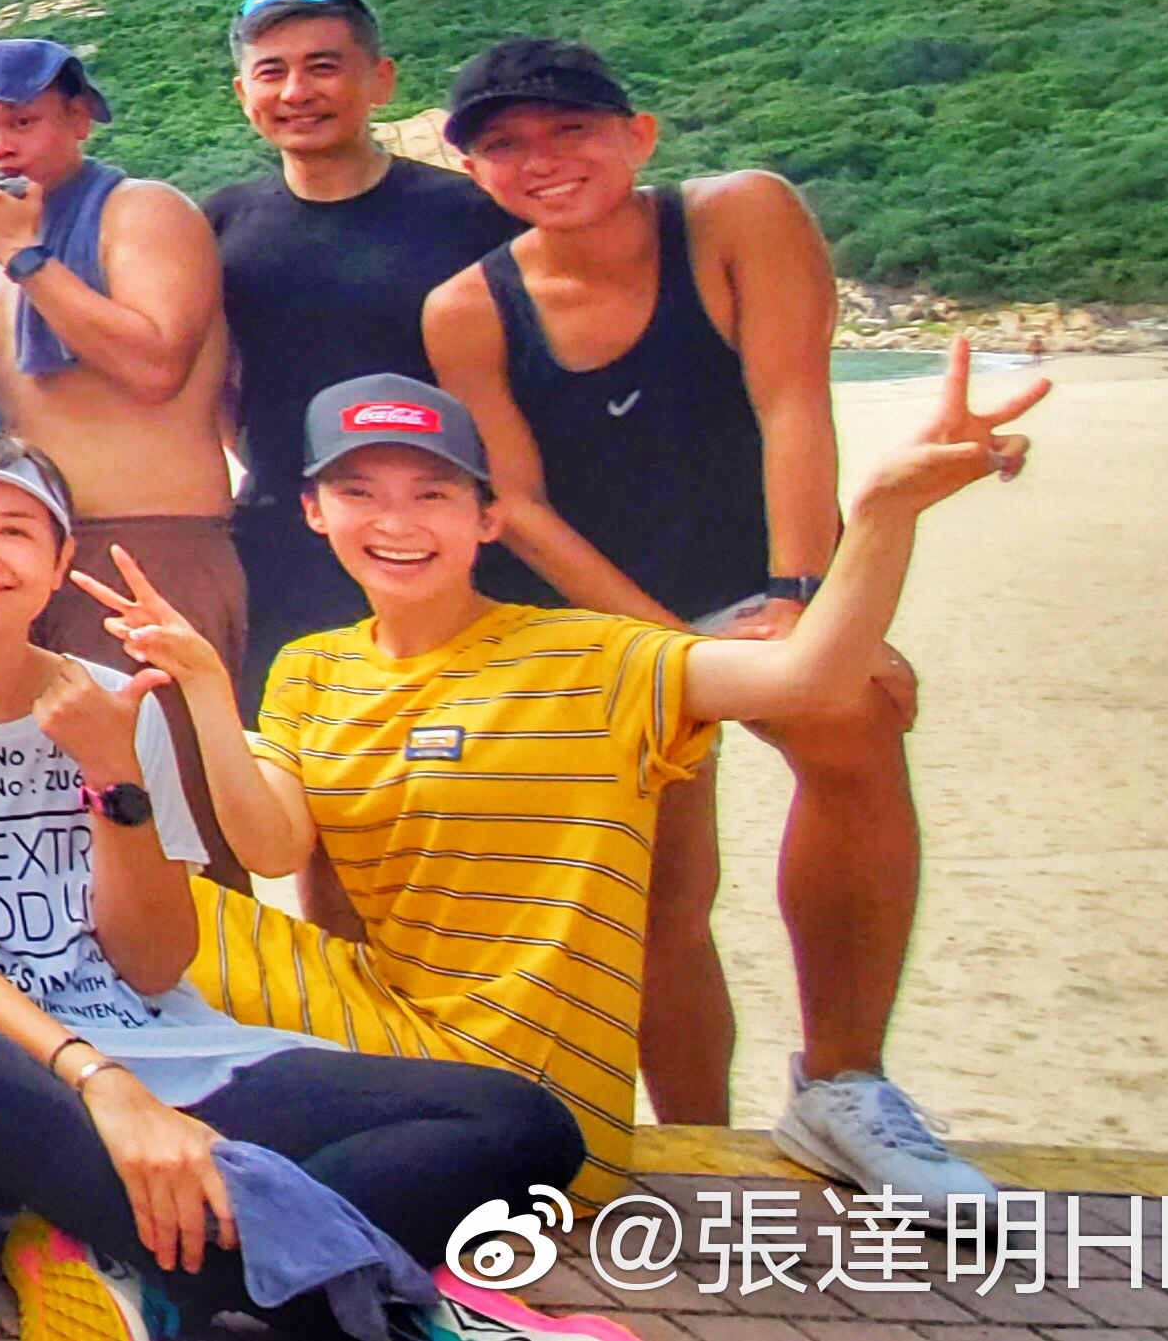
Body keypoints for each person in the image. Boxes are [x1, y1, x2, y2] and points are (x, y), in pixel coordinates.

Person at [151, 363, 1040, 1211]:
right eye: (359, 492)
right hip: (389, 1035)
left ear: (488, 517)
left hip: (538, 1092)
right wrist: (204, 689)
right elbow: (271, 847)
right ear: (314, 511)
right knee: (129, 913)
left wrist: (883, 512)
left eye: (432, 493)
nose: (397, 521)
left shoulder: (597, 657)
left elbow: (808, 680)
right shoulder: (310, 668)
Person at [0, 430, 585, 1337]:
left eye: (16, 530)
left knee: (525, 1123)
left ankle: (169, 1263)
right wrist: (103, 1084)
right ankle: (311, 1275)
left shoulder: (117, 702)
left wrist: (112, 775)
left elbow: (154, 962)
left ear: (59, 559)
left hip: (160, 1046)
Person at [416, 38, 989, 1202]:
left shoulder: (737, 218)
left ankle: (843, 1083)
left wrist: (804, 604)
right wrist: (668, 654)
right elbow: (519, 505)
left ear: (639, 135)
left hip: (755, 577)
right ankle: (699, 1147)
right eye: (506, 145)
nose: (543, 159)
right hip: (599, 616)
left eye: (572, 129)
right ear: (474, 172)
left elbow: (792, 402)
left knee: (850, 726)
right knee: (662, 895)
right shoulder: (467, 308)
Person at [0, 37, 236, 841]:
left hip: (146, 551)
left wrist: (26, 255)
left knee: (170, 819)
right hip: (25, 559)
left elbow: (154, 365)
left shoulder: (142, 211)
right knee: (58, 828)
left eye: (23, 121)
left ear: (79, 118)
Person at [202, 0, 522, 707]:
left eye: (324, 66)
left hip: (455, 540)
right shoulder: (224, 224)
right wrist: (263, 460)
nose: (296, 91)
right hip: (285, 543)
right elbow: (212, 376)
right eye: (272, 71)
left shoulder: (471, 216)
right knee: (298, 751)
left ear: (380, 80)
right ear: (244, 93)